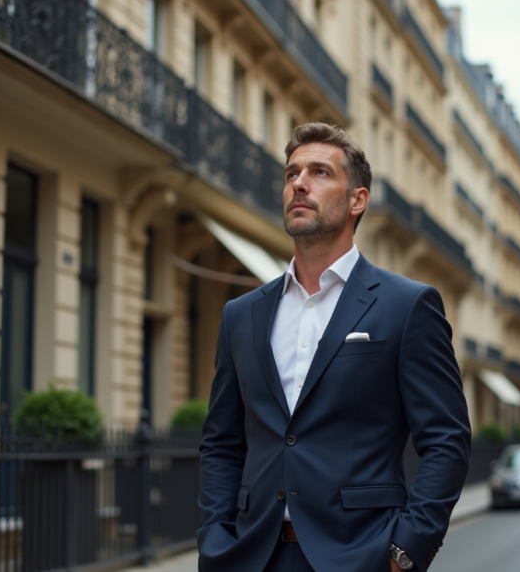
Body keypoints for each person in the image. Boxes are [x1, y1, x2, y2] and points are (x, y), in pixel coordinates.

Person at [196, 123, 472, 572]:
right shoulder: (241, 315)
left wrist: (405, 552)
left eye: (320, 172)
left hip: (361, 556)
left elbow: (447, 440)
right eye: (291, 174)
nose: (299, 183)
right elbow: (222, 443)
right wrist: (214, 539)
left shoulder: (406, 306)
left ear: (357, 200)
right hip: (250, 556)